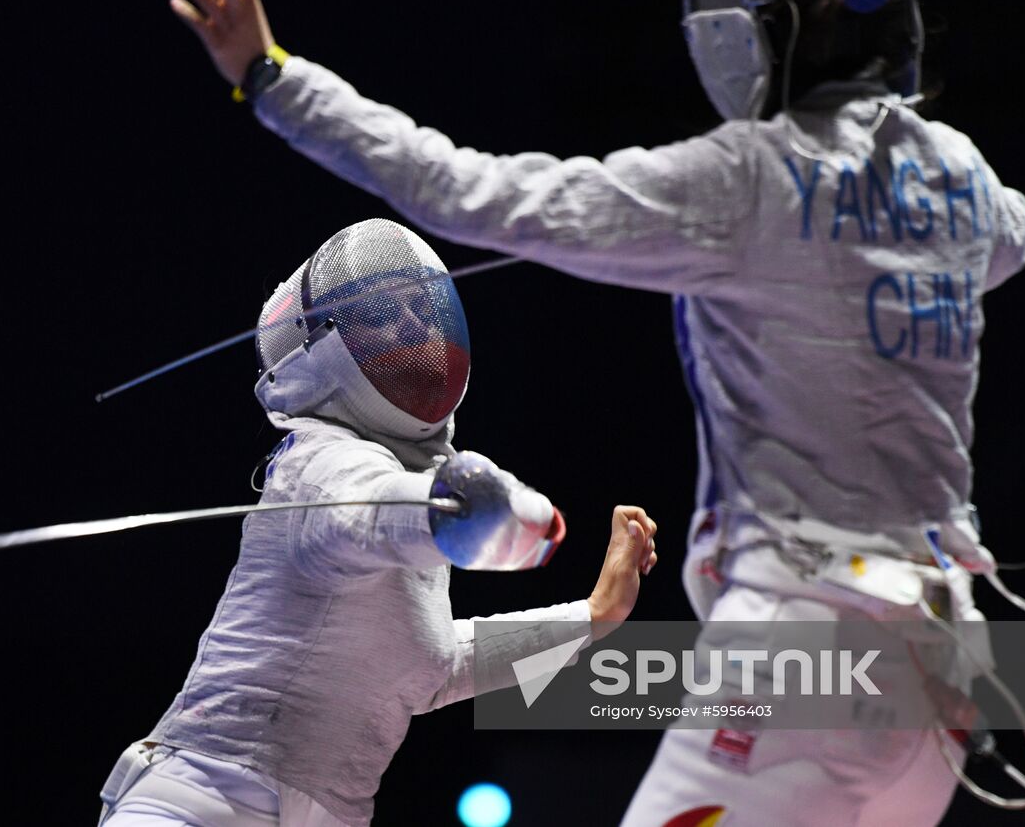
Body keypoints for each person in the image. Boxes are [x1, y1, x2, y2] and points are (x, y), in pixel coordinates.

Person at [161, 0, 1025, 824]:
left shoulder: (744, 180)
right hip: (942, 669)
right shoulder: (962, 182)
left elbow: (465, 189)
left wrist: (268, 74)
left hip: (808, 643)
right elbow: (1014, 236)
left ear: (745, 40)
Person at [96, 217, 658, 826]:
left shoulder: (410, 498)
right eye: (387, 317)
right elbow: (371, 512)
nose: (416, 329)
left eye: (420, 312)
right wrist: (477, 511)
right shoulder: (319, 464)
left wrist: (595, 616)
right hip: (205, 802)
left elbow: (433, 668)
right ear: (329, 347)